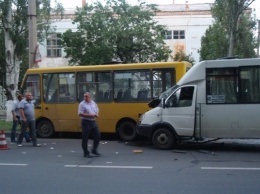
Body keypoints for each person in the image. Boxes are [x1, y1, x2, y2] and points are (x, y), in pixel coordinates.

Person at [78, 92, 100, 158]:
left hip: (93, 122)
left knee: (97, 135)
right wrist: (90, 115)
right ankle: (86, 153)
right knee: (85, 138)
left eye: (86, 97)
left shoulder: (93, 103)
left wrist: (96, 114)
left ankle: (94, 149)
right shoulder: (82, 104)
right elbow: (80, 113)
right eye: (84, 96)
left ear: (90, 97)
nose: (85, 98)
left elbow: (97, 110)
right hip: (85, 122)